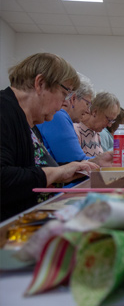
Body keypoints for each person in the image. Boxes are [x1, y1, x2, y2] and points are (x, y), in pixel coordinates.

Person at [0, 53, 98, 221]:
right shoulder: (4, 110)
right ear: (40, 84)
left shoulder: (28, 121)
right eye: (64, 93)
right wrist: (57, 172)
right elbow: (4, 179)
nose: (65, 102)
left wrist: (66, 173)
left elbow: (32, 172)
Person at [36, 72, 110, 166]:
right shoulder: (59, 116)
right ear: (73, 98)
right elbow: (77, 162)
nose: (88, 111)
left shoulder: (60, 117)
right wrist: (104, 161)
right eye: (87, 104)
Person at [75, 91, 120, 158]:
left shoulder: (96, 133)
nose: (109, 125)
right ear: (95, 112)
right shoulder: (76, 130)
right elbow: (78, 163)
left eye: (112, 121)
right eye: (108, 119)